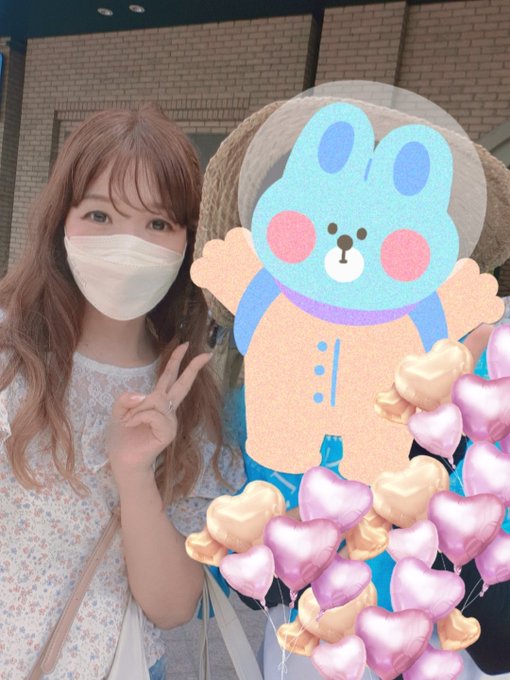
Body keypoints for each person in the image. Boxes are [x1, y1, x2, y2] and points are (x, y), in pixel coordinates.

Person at [0, 104, 245, 679]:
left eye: (157, 224)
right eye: (100, 215)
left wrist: (134, 475)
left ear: (188, 243)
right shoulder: (11, 357)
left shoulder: (189, 399)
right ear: (61, 223)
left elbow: (172, 606)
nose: (127, 243)